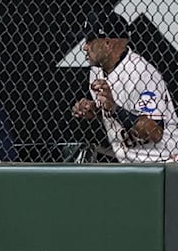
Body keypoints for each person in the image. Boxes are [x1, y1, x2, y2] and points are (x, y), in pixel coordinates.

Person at [72, 11, 178, 162]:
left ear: (107, 43)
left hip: (164, 161)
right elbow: (109, 108)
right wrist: (93, 109)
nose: (84, 47)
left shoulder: (142, 73)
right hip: (129, 163)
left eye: (90, 40)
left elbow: (154, 132)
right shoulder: (96, 72)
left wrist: (114, 109)